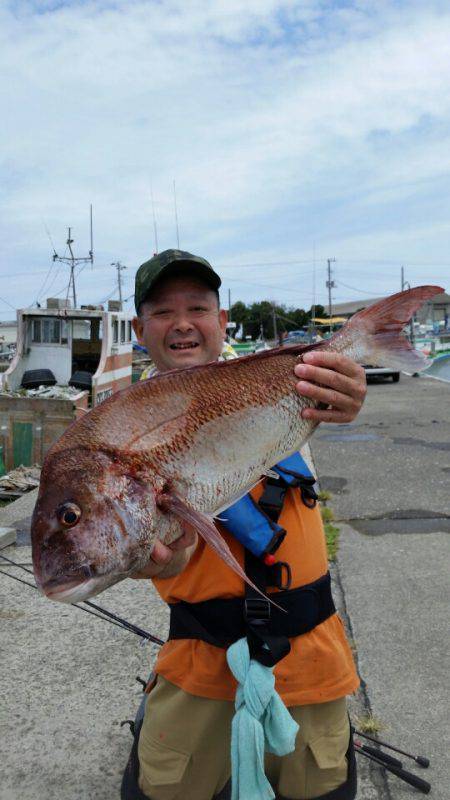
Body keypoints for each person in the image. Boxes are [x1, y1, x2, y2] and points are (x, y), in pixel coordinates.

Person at [126, 249, 367, 800]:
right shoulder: (127, 429)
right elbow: (162, 555)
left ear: (222, 321)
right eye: (162, 312)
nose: (182, 323)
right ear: (140, 330)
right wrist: (153, 559)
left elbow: (333, 397)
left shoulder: (284, 389)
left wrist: (348, 394)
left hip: (311, 663)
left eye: (198, 307)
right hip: (200, 668)